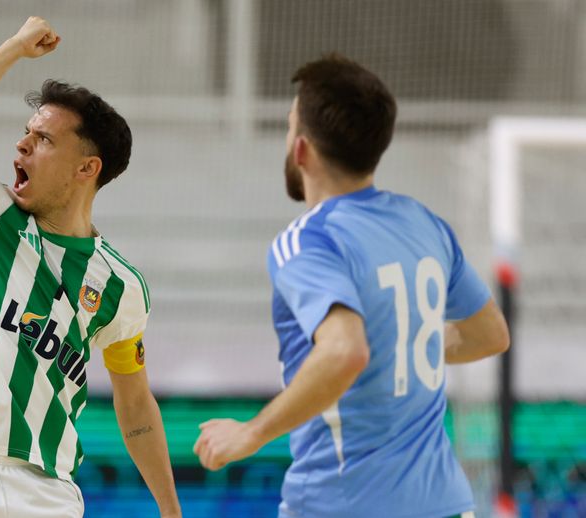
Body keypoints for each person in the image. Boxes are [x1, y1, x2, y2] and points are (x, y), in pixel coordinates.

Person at [193, 54, 510, 518]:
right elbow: (490, 334)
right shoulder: (426, 224)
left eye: (288, 127)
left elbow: (344, 352)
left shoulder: (307, 241)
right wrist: (401, 340)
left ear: (301, 150)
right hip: (447, 506)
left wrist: (250, 433)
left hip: (343, 504)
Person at [0, 17, 181, 518]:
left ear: (87, 169)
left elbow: (135, 408)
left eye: (44, 139)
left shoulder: (120, 287)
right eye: (25, 133)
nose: (22, 146)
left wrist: (171, 512)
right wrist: (12, 49)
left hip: (43, 492)